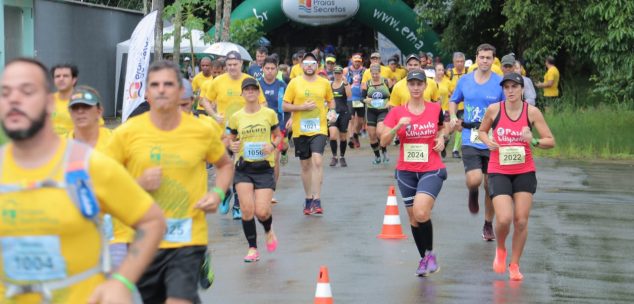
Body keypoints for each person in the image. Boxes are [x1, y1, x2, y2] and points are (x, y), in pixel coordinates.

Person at [0, 58, 165, 303]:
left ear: (49, 104)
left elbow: (153, 221)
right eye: (5, 93)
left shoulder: (90, 164)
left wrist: (121, 282)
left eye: (26, 91)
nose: (14, 99)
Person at [106, 60, 233, 304]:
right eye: (155, 85)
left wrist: (217, 193)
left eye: (168, 84)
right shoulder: (127, 132)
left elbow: (225, 164)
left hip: (188, 236)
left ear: (179, 91)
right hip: (143, 240)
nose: (161, 90)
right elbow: (106, 179)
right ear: (146, 93)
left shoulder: (201, 131)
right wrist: (137, 183)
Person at [477, 72, 555, 280]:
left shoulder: (532, 112)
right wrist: (487, 141)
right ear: (503, 90)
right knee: (504, 218)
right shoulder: (494, 110)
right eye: (506, 87)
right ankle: (501, 249)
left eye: (514, 87)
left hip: (524, 171)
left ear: (522, 89)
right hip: (498, 170)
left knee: (521, 221)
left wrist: (534, 141)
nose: (510, 91)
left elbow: (550, 140)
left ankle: (515, 264)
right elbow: (482, 131)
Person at [380, 69, 448, 276]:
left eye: (420, 84)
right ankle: (425, 259)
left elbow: (442, 128)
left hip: (431, 168)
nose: (416, 87)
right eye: (413, 84)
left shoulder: (435, 108)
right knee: (413, 219)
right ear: (407, 87)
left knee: (421, 212)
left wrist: (442, 137)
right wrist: (397, 127)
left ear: (425, 86)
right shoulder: (397, 112)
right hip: (406, 171)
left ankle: (430, 256)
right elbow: (383, 141)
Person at [449, 43, 505, 241]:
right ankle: (473, 191)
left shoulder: (500, 83)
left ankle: (488, 224)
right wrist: (454, 116)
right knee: (475, 179)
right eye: (481, 57)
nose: (484, 61)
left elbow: (506, 109)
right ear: (476, 58)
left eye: (488, 58)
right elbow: (453, 100)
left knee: (491, 185)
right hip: (470, 135)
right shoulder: (465, 80)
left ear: (493, 60)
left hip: (491, 138)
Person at [228, 78, 282, 262]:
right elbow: (230, 138)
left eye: (253, 89)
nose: (250, 92)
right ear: (242, 94)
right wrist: (232, 145)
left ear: (258, 93)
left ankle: (268, 230)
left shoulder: (269, 114)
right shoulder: (236, 117)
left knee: (262, 212)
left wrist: (272, 146)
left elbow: (278, 135)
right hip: (243, 167)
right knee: (246, 210)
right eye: (246, 90)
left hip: (264, 167)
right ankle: (252, 248)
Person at [283, 52, 336, 215]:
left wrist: (332, 111)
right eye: (306, 63)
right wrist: (300, 108)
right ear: (301, 66)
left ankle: (317, 200)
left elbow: (331, 100)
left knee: (318, 161)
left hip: (319, 128)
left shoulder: (324, 83)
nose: (309, 66)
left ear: (317, 66)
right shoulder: (294, 83)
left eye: (313, 63)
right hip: (300, 130)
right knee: (305, 166)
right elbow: (285, 106)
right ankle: (308, 198)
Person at [258, 56, 290, 196]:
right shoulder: (256, 85)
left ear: (277, 70)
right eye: (267, 68)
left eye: (272, 68)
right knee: (263, 157)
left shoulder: (282, 85)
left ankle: (271, 190)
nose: (270, 71)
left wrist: (291, 119)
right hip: (260, 126)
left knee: (274, 158)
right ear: (262, 69)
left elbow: (289, 103)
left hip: (278, 125)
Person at [362, 64, 391, 164]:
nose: (375, 75)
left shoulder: (386, 81)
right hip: (371, 111)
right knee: (372, 135)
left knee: (380, 132)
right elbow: (362, 98)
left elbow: (393, 96)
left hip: (383, 110)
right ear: (370, 73)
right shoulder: (367, 83)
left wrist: (389, 103)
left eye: (376, 73)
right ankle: (377, 156)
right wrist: (367, 100)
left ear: (380, 72)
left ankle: (384, 150)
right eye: (373, 74)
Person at [328, 65, 352, 167]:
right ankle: (334, 156)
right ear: (333, 74)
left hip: (343, 113)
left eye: (339, 73)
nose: (337, 75)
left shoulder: (345, 84)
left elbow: (349, 95)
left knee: (342, 137)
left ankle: (342, 156)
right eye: (336, 73)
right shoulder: (329, 85)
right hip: (332, 112)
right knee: (333, 135)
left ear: (342, 74)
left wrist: (346, 83)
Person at [446, 52, 468, 159]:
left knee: (461, 126)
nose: (460, 64)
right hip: (451, 106)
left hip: (464, 106)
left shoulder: (468, 72)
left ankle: (455, 150)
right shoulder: (448, 74)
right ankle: (445, 140)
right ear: (453, 62)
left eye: (462, 61)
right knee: (450, 128)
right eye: (457, 62)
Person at [343, 54, 366, 149]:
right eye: (355, 61)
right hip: (350, 98)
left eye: (358, 61)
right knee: (351, 118)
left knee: (360, 121)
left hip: (360, 98)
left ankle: (356, 134)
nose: (357, 63)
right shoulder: (346, 70)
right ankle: (351, 137)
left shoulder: (364, 70)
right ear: (352, 61)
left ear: (361, 61)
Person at [50, 63, 78, 135]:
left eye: (65, 76)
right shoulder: (46, 101)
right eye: (57, 76)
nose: (61, 79)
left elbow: (97, 128)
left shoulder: (83, 101)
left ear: (73, 80)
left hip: (75, 144)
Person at [433, 63, 453, 158]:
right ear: (435, 71)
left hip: (446, 109)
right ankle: (438, 148)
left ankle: (444, 144)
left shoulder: (447, 82)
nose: (441, 72)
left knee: (447, 133)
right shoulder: (431, 82)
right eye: (439, 70)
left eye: (442, 70)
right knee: (437, 132)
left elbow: (454, 93)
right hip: (435, 111)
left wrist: (450, 96)